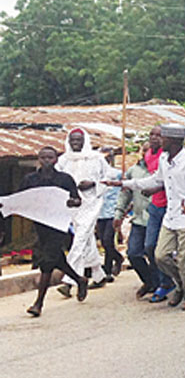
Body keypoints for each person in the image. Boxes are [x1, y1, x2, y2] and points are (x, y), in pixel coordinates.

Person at [107, 124, 185, 310]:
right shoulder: (163, 158)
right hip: (171, 216)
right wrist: (123, 183)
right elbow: (155, 180)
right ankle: (180, 284)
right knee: (160, 256)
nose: (160, 141)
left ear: (174, 141)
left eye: (164, 139)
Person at [8, 147, 88, 315]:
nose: (46, 160)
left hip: (58, 225)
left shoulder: (64, 179)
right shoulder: (30, 179)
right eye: (43, 157)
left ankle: (38, 304)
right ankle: (79, 279)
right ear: (38, 159)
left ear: (56, 160)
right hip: (40, 225)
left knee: (46, 262)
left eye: (50, 157)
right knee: (57, 259)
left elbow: (78, 200)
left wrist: (72, 202)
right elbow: (20, 199)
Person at [55, 128, 113, 295]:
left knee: (79, 239)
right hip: (73, 204)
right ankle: (99, 275)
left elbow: (108, 178)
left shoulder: (96, 158)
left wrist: (93, 183)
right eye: (72, 140)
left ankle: (69, 280)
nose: (75, 143)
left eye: (78, 140)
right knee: (85, 238)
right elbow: (56, 179)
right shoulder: (63, 160)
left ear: (84, 141)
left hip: (92, 202)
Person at [140, 126, 175, 302]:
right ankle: (165, 281)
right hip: (155, 206)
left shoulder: (168, 155)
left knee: (169, 248)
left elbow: (167, 180)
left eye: (159, 136)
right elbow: (154, 178)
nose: (154, 138)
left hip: (171, 206)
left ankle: (175, 280)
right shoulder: (148, 155)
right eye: (151, 135)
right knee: (149, 246)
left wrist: (154, 188)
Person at [115, 154, 156, 298]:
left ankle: (162, 284)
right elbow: (125, 194)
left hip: (157, 218)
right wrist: (119, 214)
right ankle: (149, 281)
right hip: (139, 219)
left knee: (154, 252)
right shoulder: (133, 171)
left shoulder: (161, 168)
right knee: (133, 253)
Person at [96, 151, 124, 279]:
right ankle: (118, 257)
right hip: (99, 211)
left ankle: (107, 270)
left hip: (113, 211)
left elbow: (124, 190)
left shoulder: (116, 173)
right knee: (103, 241)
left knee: (108, 240)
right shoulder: (95, 175)